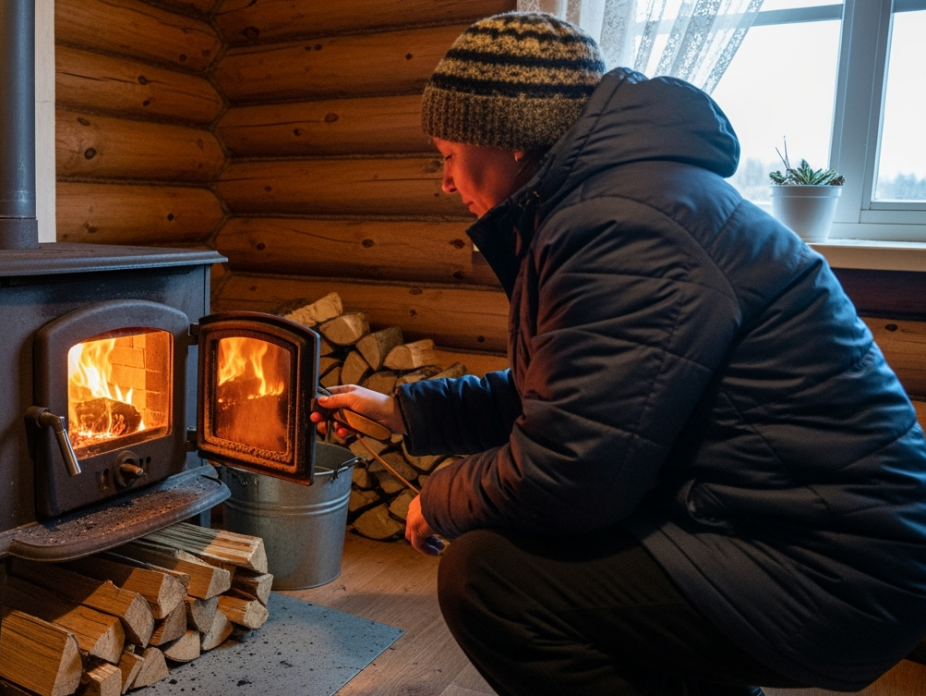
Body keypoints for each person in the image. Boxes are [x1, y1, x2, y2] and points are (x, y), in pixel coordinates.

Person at [312, 11, 926, 695]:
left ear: (509, 142)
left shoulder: (624, 226)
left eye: (448, 156)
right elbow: (563, 397)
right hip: (780, 530)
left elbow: (572, 473)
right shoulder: (621, 201)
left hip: (836, 569)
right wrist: (399, 411)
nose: (445, 183)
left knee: (489, 576)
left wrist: (443, 495)